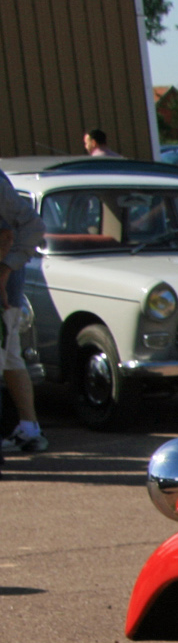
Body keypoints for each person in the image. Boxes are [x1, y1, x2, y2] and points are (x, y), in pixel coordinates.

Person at [0, 172, 49, 456]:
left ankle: (30, 429)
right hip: (8, 291)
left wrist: (5, 271)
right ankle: (30, 429)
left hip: (4, 293)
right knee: (12, 358)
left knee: (7, 357)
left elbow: (28, 227)